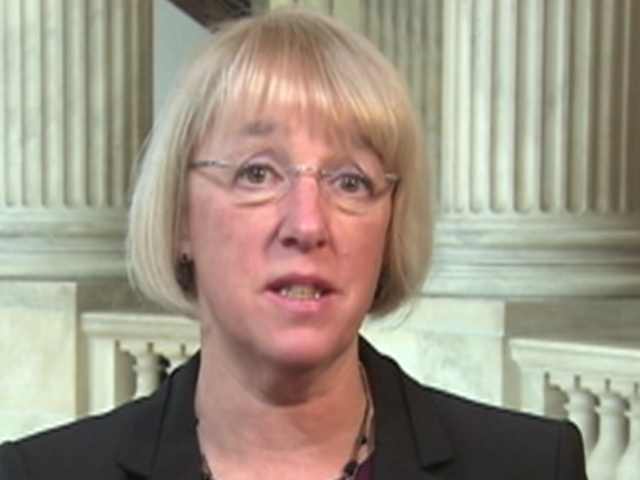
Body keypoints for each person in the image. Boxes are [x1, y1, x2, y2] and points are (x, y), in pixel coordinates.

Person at [0, 7, 587, 480]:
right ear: (181, 220)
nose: (307, 224)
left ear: (388, 227)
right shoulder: (40, 473)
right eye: (256, 173)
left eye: (351, 181)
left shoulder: (532, 466)